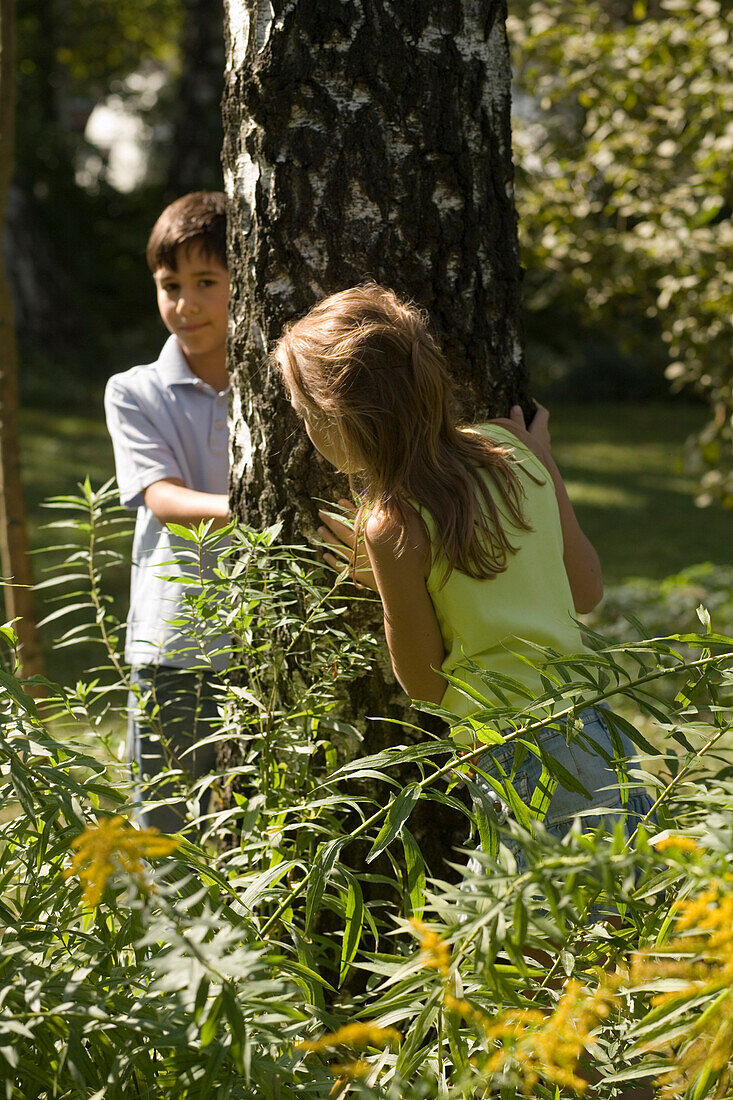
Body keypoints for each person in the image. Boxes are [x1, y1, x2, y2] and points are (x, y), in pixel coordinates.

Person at [272, 282, 653, 859]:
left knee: (540, 932)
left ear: (338, 421)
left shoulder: (393, 525)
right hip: (594, 728)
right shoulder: (512, 448)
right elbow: (586, 589)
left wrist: (391, 586)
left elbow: (424, 683)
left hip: (512, 752)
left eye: (304, 415)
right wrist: (545, 464)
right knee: (616, 913)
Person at [105, 191, 236, 833]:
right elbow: (162, 496)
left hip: (264, 639)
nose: (185, 304)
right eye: (170, 284)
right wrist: (257, 511)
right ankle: (167, 938)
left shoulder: (278, 381)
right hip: (172, 642)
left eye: (206, 282)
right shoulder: (134, 390)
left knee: (257, 824)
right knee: (163, 825)